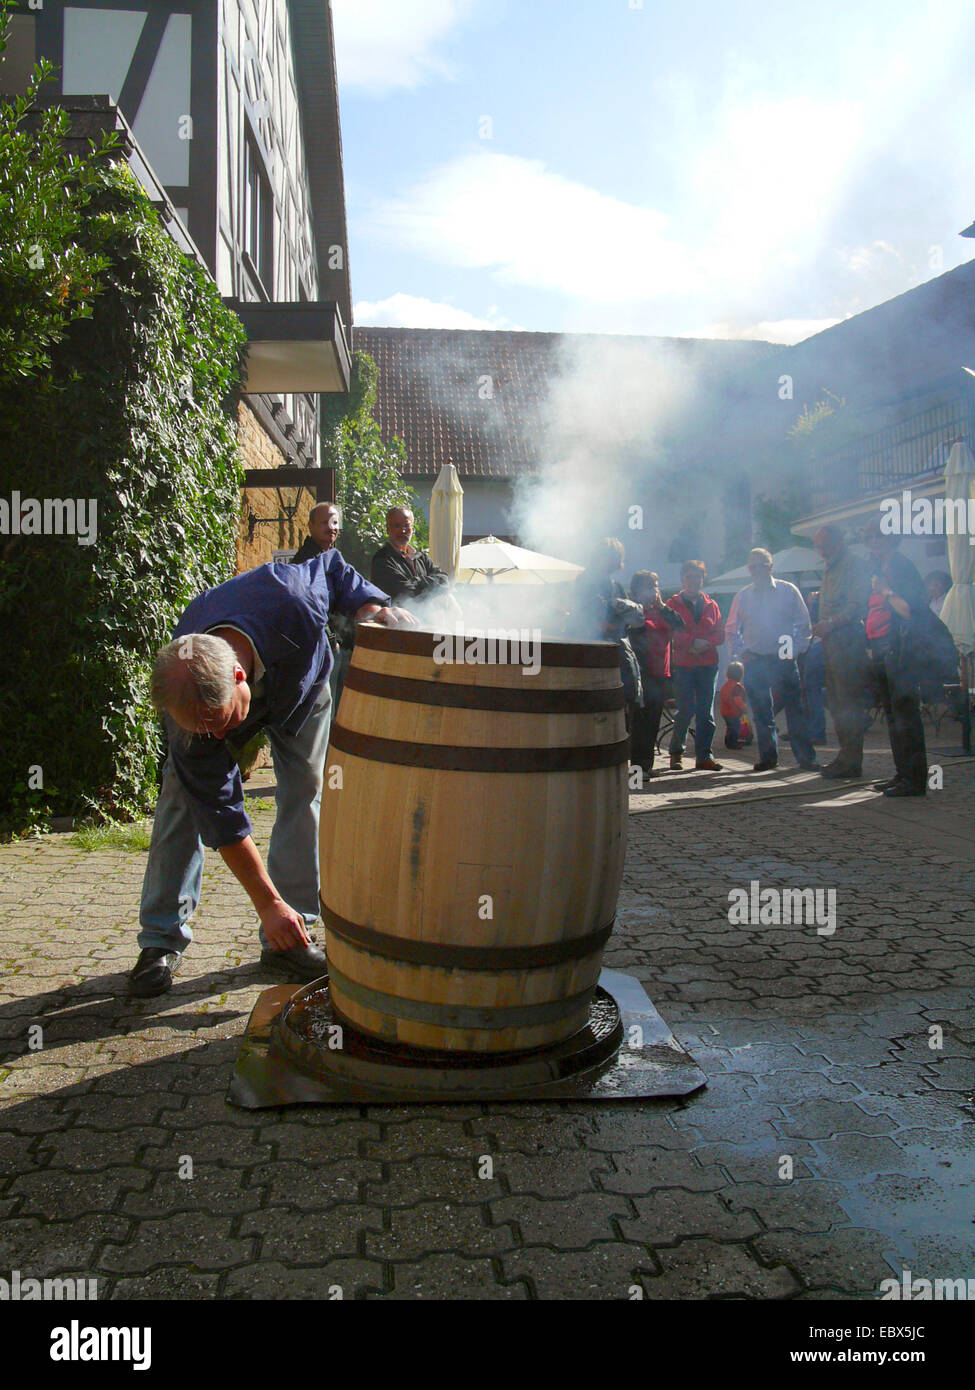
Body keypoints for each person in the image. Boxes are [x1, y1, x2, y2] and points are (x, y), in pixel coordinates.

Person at [128, 554, 418, 998]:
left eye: (224, 724)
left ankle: (291, 933)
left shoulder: (293, 597)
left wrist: (368, 606)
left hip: (301, 692)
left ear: (239, 676)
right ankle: (161, 940)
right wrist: (265, 903)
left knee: (305, 791)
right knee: (180, 799)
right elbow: (222, 814)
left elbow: (333, 566)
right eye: (206, 730)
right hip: (237, 688)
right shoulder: (183, 693)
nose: (223, 738)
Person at [726, 548, 819, 772]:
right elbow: (731, 628)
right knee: (761, 712)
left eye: (761, 565)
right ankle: (768, 758)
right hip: (756, 660)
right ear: (749, 569)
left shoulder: (788, 591)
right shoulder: (743, 595)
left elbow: (803, 624)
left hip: (783, 659)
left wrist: (794, 650)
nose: (756, 570)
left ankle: (805, 758)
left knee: (795, 710)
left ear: (770, 567)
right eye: (753, 566)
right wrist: (742, 652)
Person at [863, 519, 929, 797]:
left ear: (890, 538)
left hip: (899, 652)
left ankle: (914, 780)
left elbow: (910, 610)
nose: (872, 543)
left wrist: (886, 591)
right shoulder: (881, 568)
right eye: (868, 537)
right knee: (892, 716)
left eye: (876, 537)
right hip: (882, 650)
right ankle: (902, 774)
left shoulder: (902, 567)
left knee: (905, 717)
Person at [811, 525, 871, 779]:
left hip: (848, 641)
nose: (820, 551)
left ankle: (851, 759)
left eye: (823, 545)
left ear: (837, 541)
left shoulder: (854, 564)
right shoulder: (830, 567)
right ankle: (845, 756)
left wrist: (832, 623)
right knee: (836, 701)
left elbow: (857, 605)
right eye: (818, 546)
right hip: (831, 643)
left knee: (848, 702)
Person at [575, 539, 644, 730]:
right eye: (610, 557)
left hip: (618, 656)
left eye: (616, 558)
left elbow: (633, 619)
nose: (614, 562)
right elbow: (596, 622)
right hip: (593, 658)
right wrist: (620, 618)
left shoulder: (616, 585)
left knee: (623, 711)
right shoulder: (586, 583)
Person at [289, 502, 351, 705]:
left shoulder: (331, 558)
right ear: (310, 526)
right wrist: (330, 637)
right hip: (321, 646)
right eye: (324, 522)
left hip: (336, 643)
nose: (331, 527)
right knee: (323, 706)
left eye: (334, 522)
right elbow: (309, 606)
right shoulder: (306, 561)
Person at [665, 560, 725, 771]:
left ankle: (704, 756)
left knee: (706, 711)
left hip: (708, 664)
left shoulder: (712, 605)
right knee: (685, 709)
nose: (694, 581)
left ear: (703, 579)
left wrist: (707, 643)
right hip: (684, 664)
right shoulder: (672, 605)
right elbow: (669, 631)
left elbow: (720, 633)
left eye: (698, 577)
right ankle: (676, 753)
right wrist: (691, 643)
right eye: (690, 577)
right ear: (683, 579)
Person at [629, 570, 684, 775]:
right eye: (651, 586)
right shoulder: (633, 609)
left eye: (657, 585)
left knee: (653, 721)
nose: (655, 590)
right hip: (643, 674)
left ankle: (646, 766)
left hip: (661, 673)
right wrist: (642, 609)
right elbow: (633, 635)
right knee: (640, 722)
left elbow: (680, 624)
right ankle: (637, 769)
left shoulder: (661, 610)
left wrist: (661, 607)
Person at [371, 506, 450, 606]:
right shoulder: (382, 559)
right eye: (397, 526)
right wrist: (431, 587)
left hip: (426, 618)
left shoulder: (421, 557)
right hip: (396, 619)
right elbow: (404, 592)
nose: (403, 531)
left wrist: (416, 581)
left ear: (412, 529)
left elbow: (444, 580)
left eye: (407, 526)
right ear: (387, 529)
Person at [801, 591, 828, 744]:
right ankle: (810, 729)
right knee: (810, 691)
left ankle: (816, 732)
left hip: (817, 645)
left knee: (811, 690)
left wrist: (812, 603)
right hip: (817, 646)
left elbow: (813, 624)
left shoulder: (820, 602)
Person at [719, 661, 749, 749]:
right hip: (733, 712)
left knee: (730, 727)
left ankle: (728, 741)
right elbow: (738, 700)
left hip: (724, 711)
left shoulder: (726, 685)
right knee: (735, 729)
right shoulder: (736, 687)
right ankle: (733, 743)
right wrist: (744, 708)